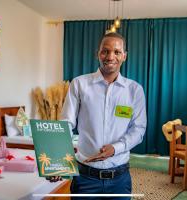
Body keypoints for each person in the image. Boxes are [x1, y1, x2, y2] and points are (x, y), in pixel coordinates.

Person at [58, 32, 147, 199]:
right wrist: (58, 162)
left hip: (120, 180)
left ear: (124, 56)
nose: (110, 56)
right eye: (105, 51)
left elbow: (139, 129)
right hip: (85, 179)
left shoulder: (135, 90)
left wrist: (116, 148)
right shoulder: (79, 84)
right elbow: (65, 124)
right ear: (97, 54)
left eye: (117, 52)